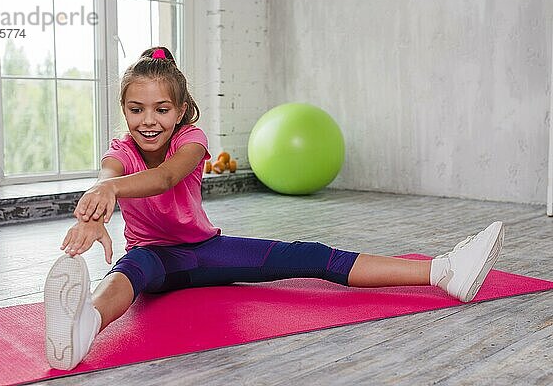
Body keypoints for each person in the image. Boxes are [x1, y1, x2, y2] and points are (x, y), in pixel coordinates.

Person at [44, 46, 505, 371]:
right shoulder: (120, 150)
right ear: (124, 111)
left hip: (206, 251)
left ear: (182, 111)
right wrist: (96, 203)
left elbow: (164, 177)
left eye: (161, 109)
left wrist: (111, 193)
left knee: (308, 255)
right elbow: (107, 176)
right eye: (136, 109)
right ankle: (83, 327)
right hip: (152, 256)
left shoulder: (191, 141)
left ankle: (442, 270)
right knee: (127, 276)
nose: (149, 120)